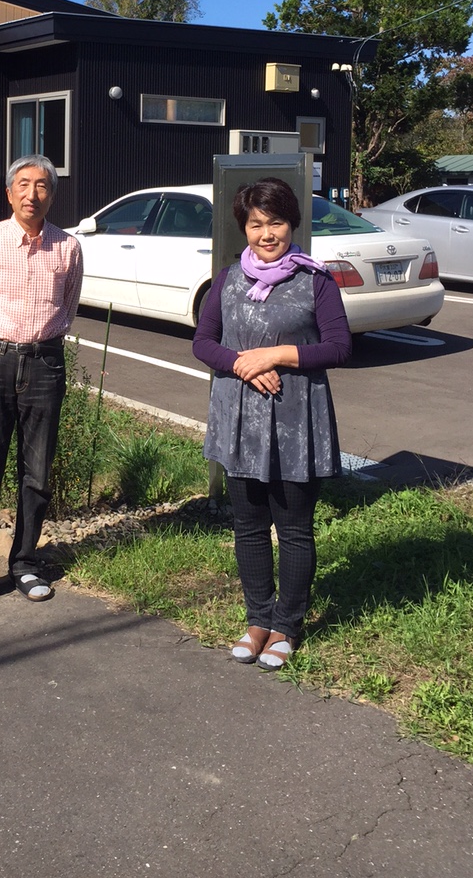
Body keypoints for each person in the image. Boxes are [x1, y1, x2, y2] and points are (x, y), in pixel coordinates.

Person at [192, 177, 351, 669]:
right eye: (256, 223)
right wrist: (243, 363)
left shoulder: (316, 280)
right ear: (243, 226)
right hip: (238, 420)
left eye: (276, 222)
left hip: (295, 424)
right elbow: (203, 341)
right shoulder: (226, 279)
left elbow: (339, 346)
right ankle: (258, 617)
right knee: (249, 527)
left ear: (292, 224)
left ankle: (287, 625)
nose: (266, 233)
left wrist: (277, 355)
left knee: (296, 529)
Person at [0, 154, 83, 610]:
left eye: (42, 185)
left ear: (52, 194)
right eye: (23, 185)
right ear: (9, 193)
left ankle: (25, 564)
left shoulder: (67, 247)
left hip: (45, 363)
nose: (32, 194)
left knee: (37, 475)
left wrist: (40, 344)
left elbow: (69, 306)